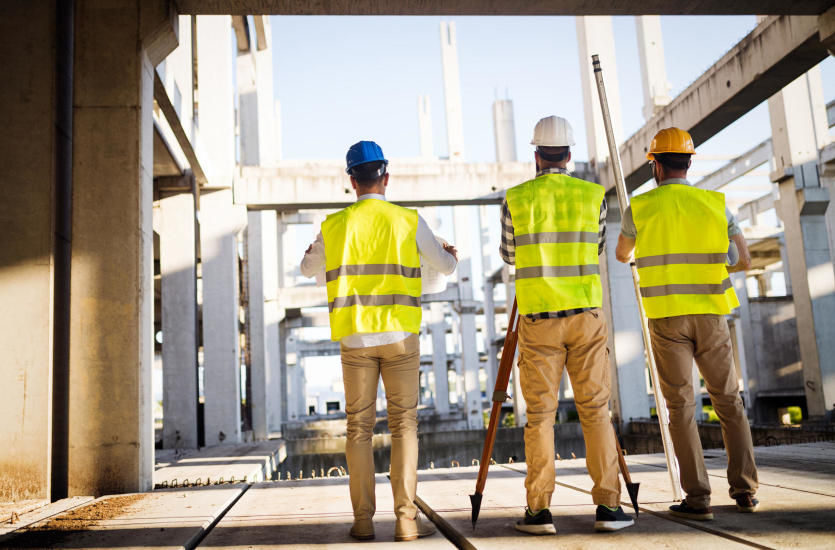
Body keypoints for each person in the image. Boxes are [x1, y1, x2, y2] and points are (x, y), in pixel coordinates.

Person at [300, 140, 457, 542]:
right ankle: (406, 521)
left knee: (358, 429)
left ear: (351, 181)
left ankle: (363, 521)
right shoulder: (409, 220)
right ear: (385, 177)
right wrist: (446, 252)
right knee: (405, 425)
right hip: (400, 336)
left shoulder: (333, 226)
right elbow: (445, 265)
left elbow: (307, 268)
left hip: (355, 338)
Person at [615, 127, 759, 520]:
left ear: (656, 165)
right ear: (689, 162)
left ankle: (697, 498)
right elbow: (743, 260)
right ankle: (745, 491)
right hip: (711, 314)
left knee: (679, 407)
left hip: (666, 318)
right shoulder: (715, 204)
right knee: (729, 401)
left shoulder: (640, 207)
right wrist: (714, 267)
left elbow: (621, 254)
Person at [500, 116, 634, 535]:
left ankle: (539, 512)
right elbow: (594, 248)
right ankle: (608, 508)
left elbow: (509, 256)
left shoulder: (515, 199)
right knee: (595, 411)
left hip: (539, 319)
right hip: (585, 316)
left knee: (540, 416)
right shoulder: (593, 195)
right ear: (570, 154)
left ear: (536, 154)